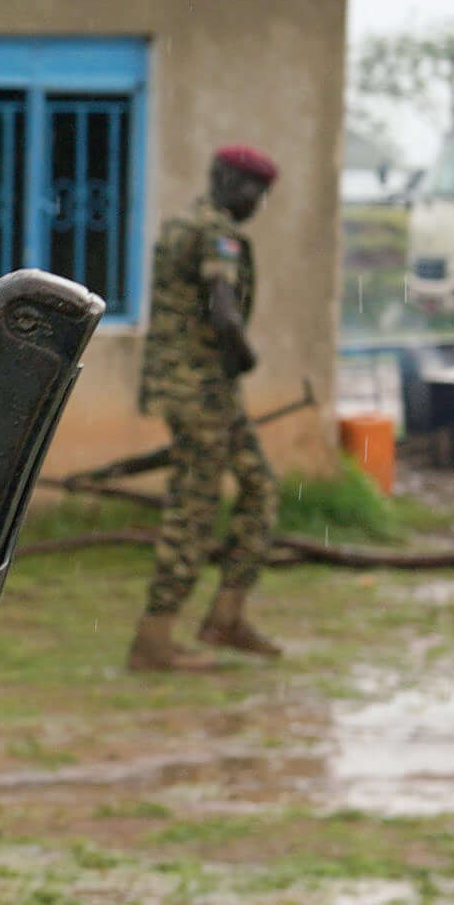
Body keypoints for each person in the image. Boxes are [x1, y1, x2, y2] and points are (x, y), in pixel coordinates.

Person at [130, 144, 281, 671]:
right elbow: (222, 310)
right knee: (193, 510)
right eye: (254, 190)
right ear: (227, 181)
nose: (257, 202)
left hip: (205, 391)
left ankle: (226, 617)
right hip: (201, 394)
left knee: (261, 489)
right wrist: (245, 356)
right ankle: (153, 640)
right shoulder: (215, 233)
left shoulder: (184, 225)